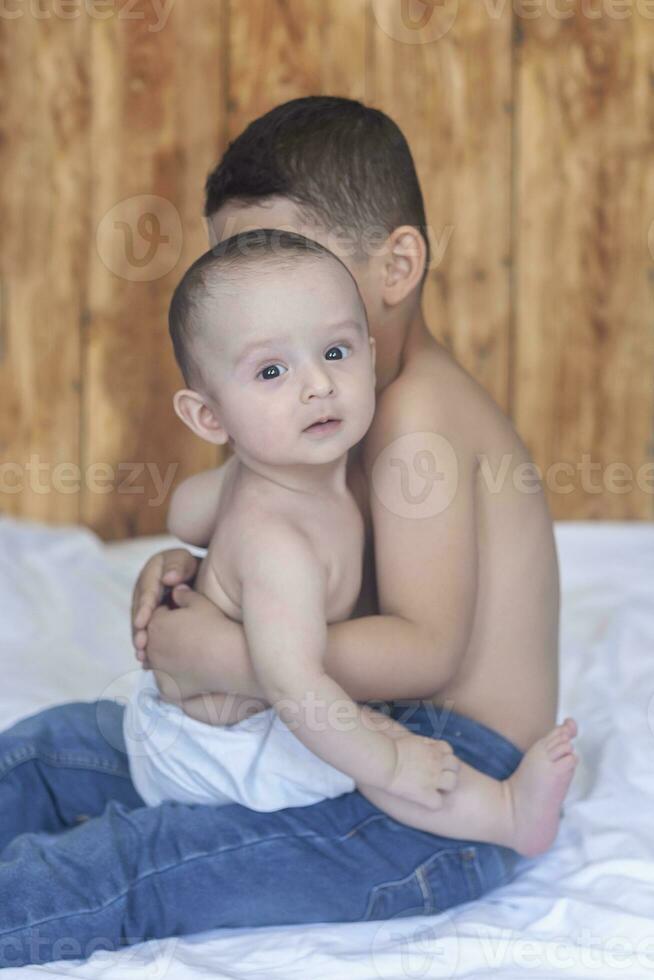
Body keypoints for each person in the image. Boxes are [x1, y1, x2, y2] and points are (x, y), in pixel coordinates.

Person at [0, 97, 571, 968]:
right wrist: (197, 575)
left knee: (141, 869)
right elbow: (308, 563)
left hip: (439, 788)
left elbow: (428, 649)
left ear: (396, 265)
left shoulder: (417, 422)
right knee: (53, 751)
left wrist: (214, 651)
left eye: (287, 260)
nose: (261, 302)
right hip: (327, 733)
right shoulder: (326, 423)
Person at [125, 226, 578, 855]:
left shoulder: (272, 473)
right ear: (208, 416)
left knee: (355, 726)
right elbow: (295, 689)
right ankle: (503, 814)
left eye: (335, 354)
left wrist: (174, 560)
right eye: (273, 370)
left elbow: (183, 513)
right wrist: (388, 766)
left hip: (224, 718)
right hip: (217, 754)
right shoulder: (277, 539)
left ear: (367, 353)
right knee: (367, 741)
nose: (317, 385)